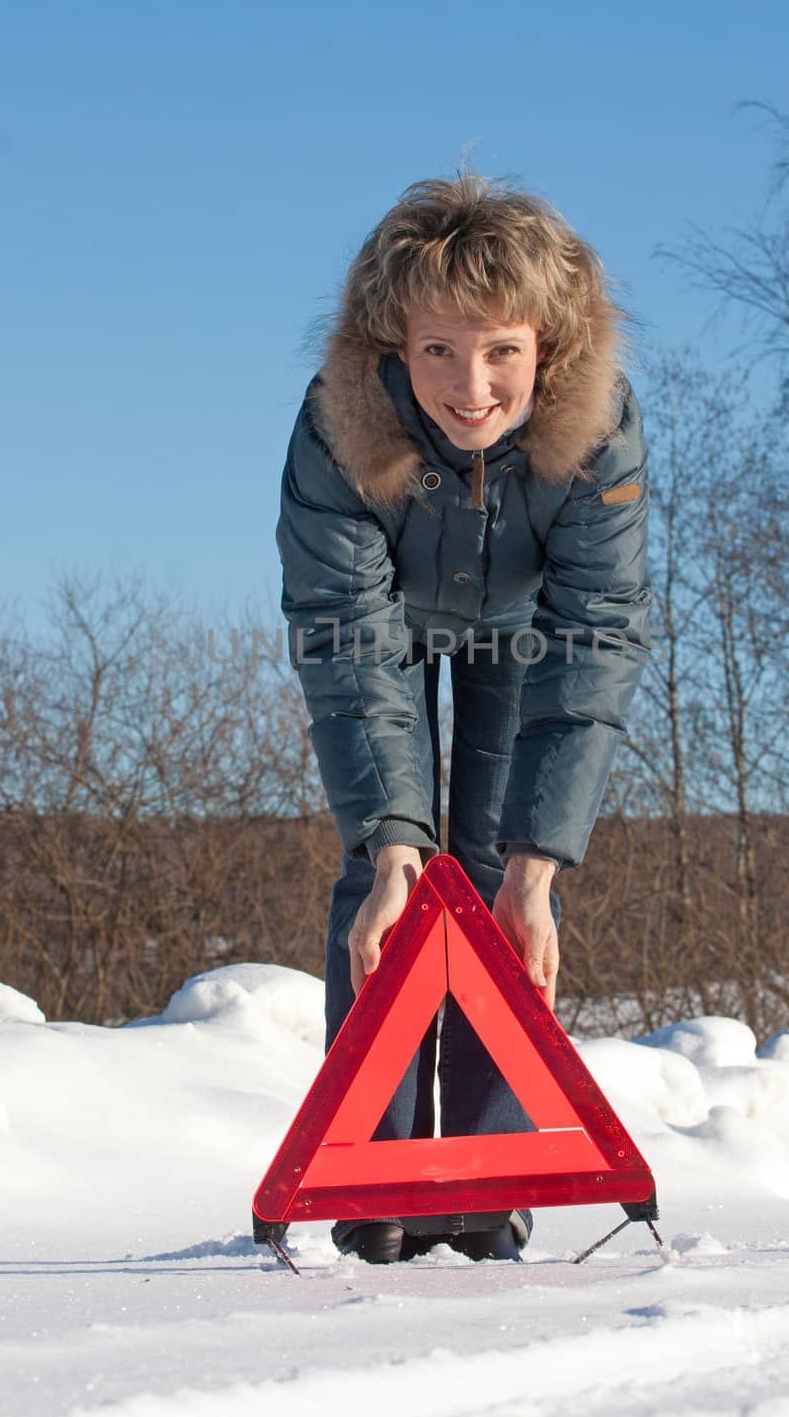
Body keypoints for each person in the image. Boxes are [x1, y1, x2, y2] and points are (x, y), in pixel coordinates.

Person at [273, 174, 651, 1263]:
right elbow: (345, 635)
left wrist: (539, 869)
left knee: (491, 870)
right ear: (393, 343)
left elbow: (595, 633)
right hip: (386, 615)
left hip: (526, 634)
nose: (469, 385)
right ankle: (372, 1181)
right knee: (385, 873)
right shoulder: (337, 424)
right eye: (437, 350)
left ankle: (488, 1180)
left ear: (550, 345)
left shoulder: (597, 429)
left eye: (499, 351)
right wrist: (393, 842)